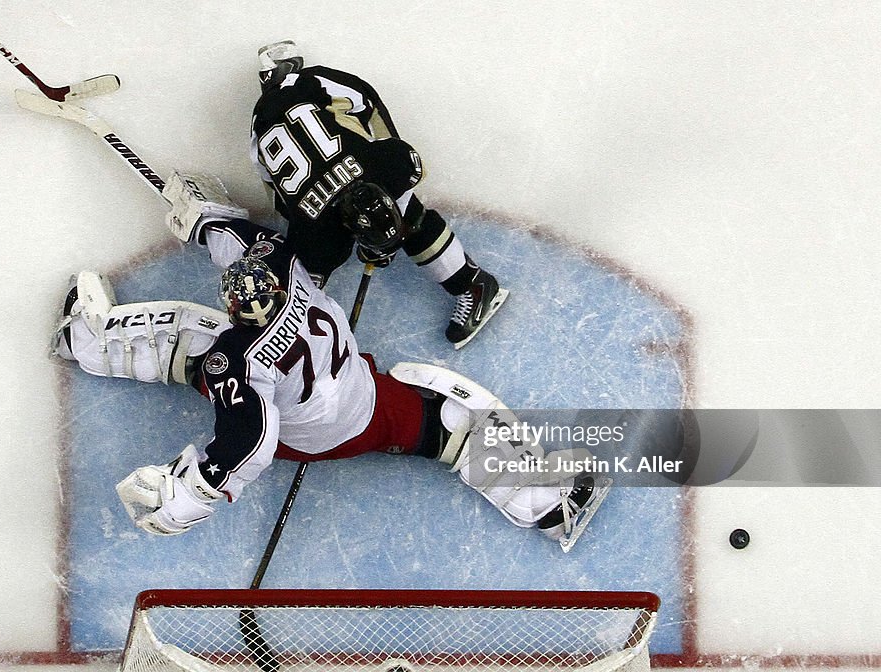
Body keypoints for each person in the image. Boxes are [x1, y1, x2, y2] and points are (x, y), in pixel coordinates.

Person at [52, 204, 606, 548]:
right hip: (366, 408)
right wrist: (204, 217)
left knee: (188, 336)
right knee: (454, 423)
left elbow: (251, 441)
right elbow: (243, 241)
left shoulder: (237, 358)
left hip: (312, 435)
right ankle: (553, 505)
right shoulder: (292, 274)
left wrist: (188, 495)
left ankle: (85, 338)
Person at [247, 41, 508, 350]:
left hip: (324, 198)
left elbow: (277, 195)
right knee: (407, 215)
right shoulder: (384, 161)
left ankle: (308, 345)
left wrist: (374, 233)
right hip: (339, 190)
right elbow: (365, 100)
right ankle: (472, 284)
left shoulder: (258, 133)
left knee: (307, 275)